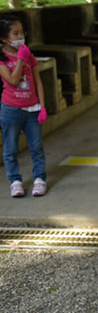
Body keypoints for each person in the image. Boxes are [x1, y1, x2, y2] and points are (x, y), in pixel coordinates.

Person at [0, 16, 48, 197]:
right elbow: (12, 80)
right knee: (11, 148)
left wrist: (42, 107)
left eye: (22, 32)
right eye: (15, 33)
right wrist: (20, 59)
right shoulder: (3, 59)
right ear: (4, 39)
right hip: (11, 110)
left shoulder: (30, 56)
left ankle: (39, 179)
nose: (21, 36)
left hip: (32, 110)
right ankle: (15, 181)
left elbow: (38, 82)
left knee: (36, 147)